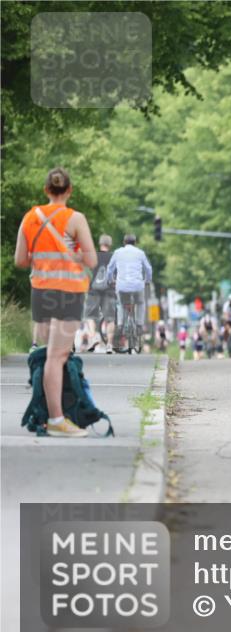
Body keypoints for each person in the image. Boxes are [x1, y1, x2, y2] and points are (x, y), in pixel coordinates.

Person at [13, 167, 97, 437]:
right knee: (56, 356)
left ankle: (51, 411)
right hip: (68, 293)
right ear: (69, 190)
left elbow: (20, 261)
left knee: (47, 353)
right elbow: (92, 260)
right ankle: (57, 419)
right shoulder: (75, 219)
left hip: (41, 291)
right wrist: (73, 256)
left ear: (46, 190)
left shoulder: (31, 217)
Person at [108, 233, 153, 353]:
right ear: (135, 242)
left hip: (122, 287)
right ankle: (139, 325)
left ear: (124, 243)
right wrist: (147, 281)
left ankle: (121, 324)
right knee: (141, 302)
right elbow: (148, 269)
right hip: (138, 286)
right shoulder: (140, 253)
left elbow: (110, 269)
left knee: (121, 305)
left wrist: (111, 280)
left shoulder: (117, 252)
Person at [83, 233, 114, 353]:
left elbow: (87, 272)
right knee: (110, 318)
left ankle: (93, 337)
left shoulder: (93, 255)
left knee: (90, 316)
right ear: (110, 245)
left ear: (100, 244)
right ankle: (109, 345)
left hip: (93, 290)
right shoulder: (113, 256)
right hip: (109, 290)